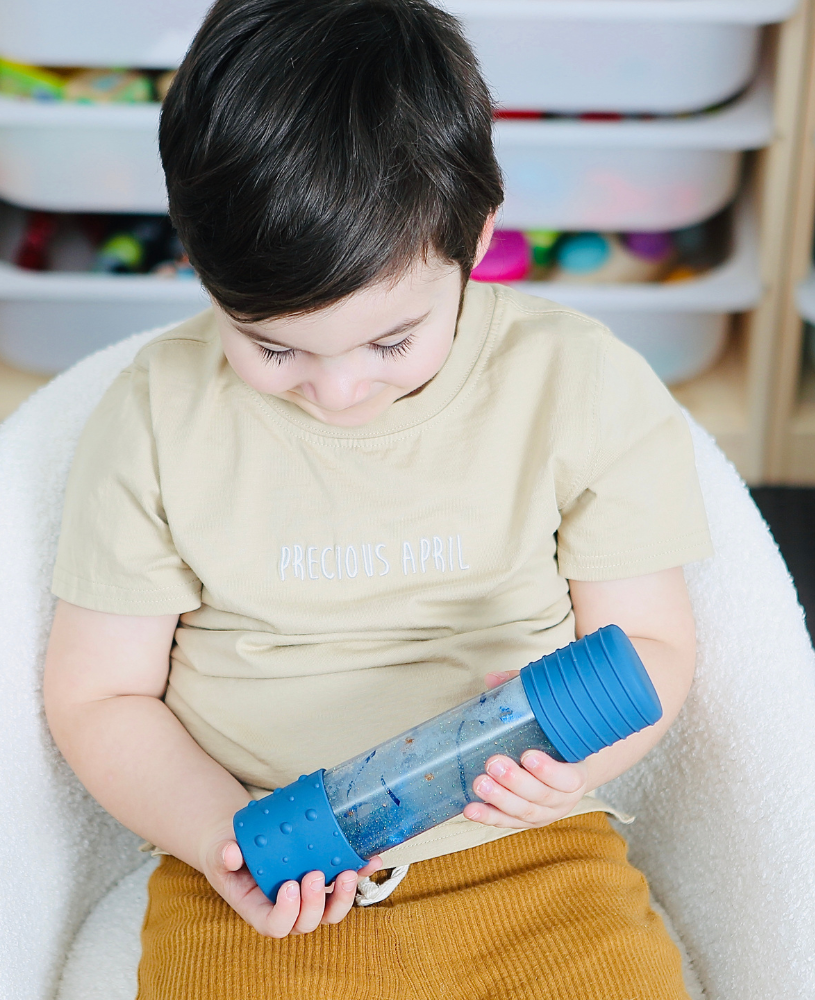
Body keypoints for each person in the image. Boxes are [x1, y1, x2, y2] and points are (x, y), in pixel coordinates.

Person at [38, 1, 711, 995]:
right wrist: (223, 840)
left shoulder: (578, 385)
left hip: (528, 850)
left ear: (475, 235)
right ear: (195, 259)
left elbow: (650, 646)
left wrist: (575, 764)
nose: (338, 390)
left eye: (389, 342)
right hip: (260, 866)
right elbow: (98, 693)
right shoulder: (152, 416)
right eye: (272, 346)